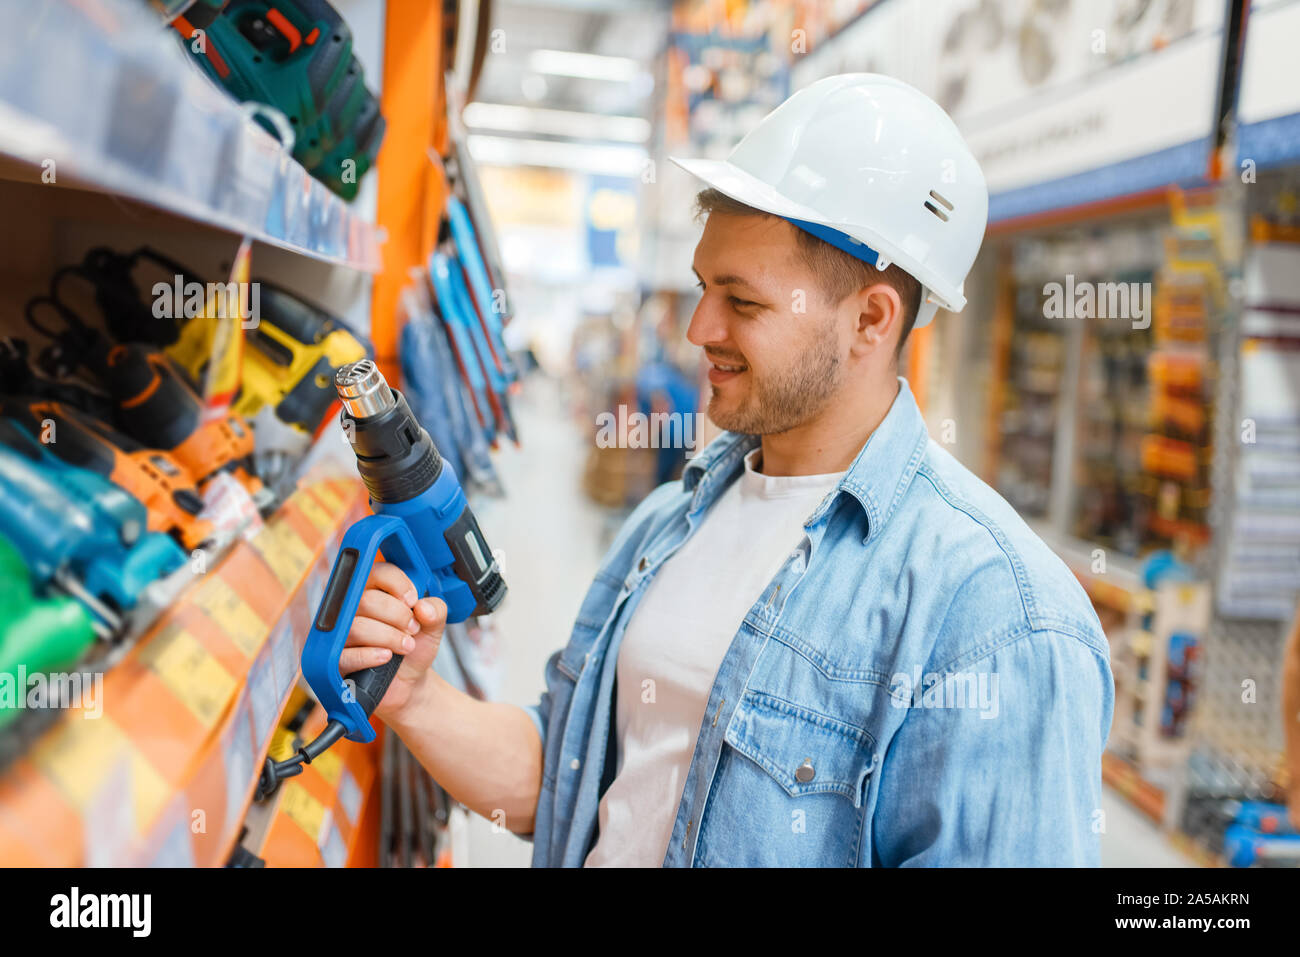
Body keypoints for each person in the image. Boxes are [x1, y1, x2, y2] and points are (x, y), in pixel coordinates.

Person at [340, 74, 1115, 866]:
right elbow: (569, 786)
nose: (699, 327)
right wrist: (418, 699)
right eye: (704, 288)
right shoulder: (672, 521)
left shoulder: (992, 617)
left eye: (743, 303)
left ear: (870, 320)